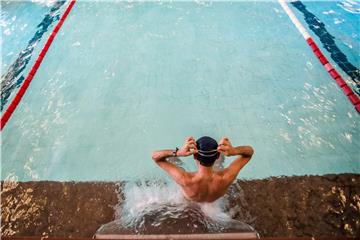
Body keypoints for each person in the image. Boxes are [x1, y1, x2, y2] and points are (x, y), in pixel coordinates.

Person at [152, 136, 254, 202]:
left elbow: (156, 157)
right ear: (217, 156)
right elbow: (249, 153)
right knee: (220, 163)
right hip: (214, 197)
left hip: (190, 199)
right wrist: (234, 151)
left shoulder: (184, 178)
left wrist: (178, 153)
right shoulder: (227, 177)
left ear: (194, 156)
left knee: (173, 159)